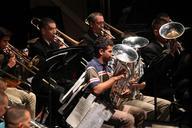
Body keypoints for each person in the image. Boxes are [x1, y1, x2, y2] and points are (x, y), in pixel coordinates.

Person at [84, 37, 146, 128]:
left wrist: (121, 90)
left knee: (141, 113)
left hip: (108, 104)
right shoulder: (92, 67)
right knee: (128, 119)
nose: (113, 54)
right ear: (101, 52)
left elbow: (110, 86)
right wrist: (114, 78)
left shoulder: (106, 67)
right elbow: (97, 89)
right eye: (110, 51)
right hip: (97, 107)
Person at [140, 13, 182, 101]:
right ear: (156, 32)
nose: (169, 33)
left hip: (172, 85)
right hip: (158, 89)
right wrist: (170, 53)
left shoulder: (168, 46)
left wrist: (180, 52)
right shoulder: (149, 48)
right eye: (165, 31)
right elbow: (158, 71)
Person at [0, 26, 36, 119]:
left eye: (8, 41)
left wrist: (18, 60)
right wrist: (9, 65)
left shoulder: (4, 52)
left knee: (32, 96)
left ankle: (30, 124)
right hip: (2, 89)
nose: (7, 44)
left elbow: (16, 74)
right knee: (18, 103)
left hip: (6, 86)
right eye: (4, 41)